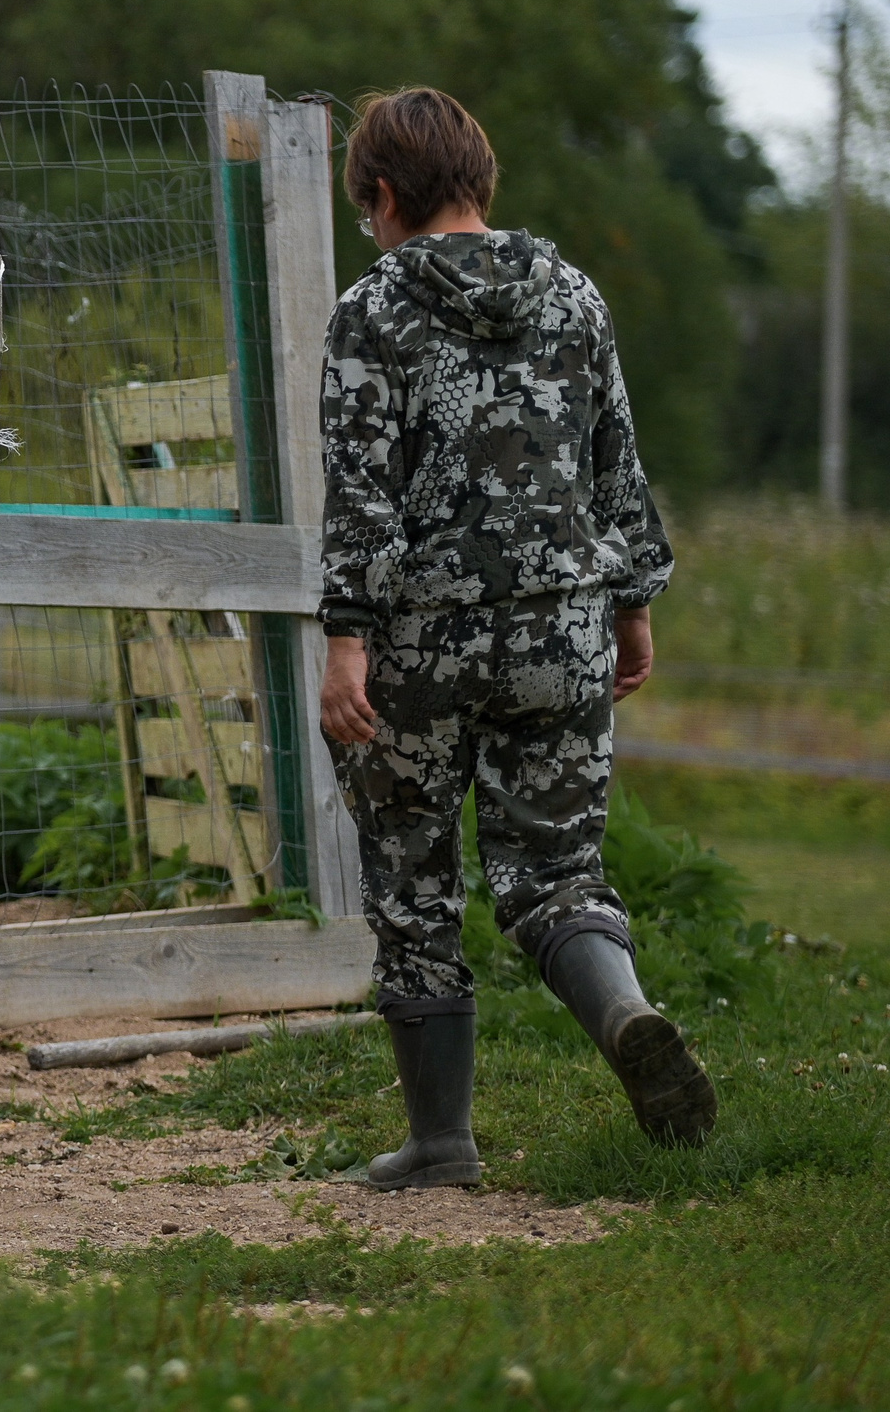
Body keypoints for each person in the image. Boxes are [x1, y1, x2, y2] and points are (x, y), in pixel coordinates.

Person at [316, 86, 718, 1190]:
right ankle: (623, 1012)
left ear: (383, 195)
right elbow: (614, 461)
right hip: (562, 630)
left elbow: (360, 494)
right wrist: (631, 605)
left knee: (414, 881)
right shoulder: (575, 295)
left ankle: (441, 1142)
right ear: (478, 180)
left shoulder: (372, 310)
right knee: (555, 870)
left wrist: (345, 641)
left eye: (365, 210)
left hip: (420, 643)